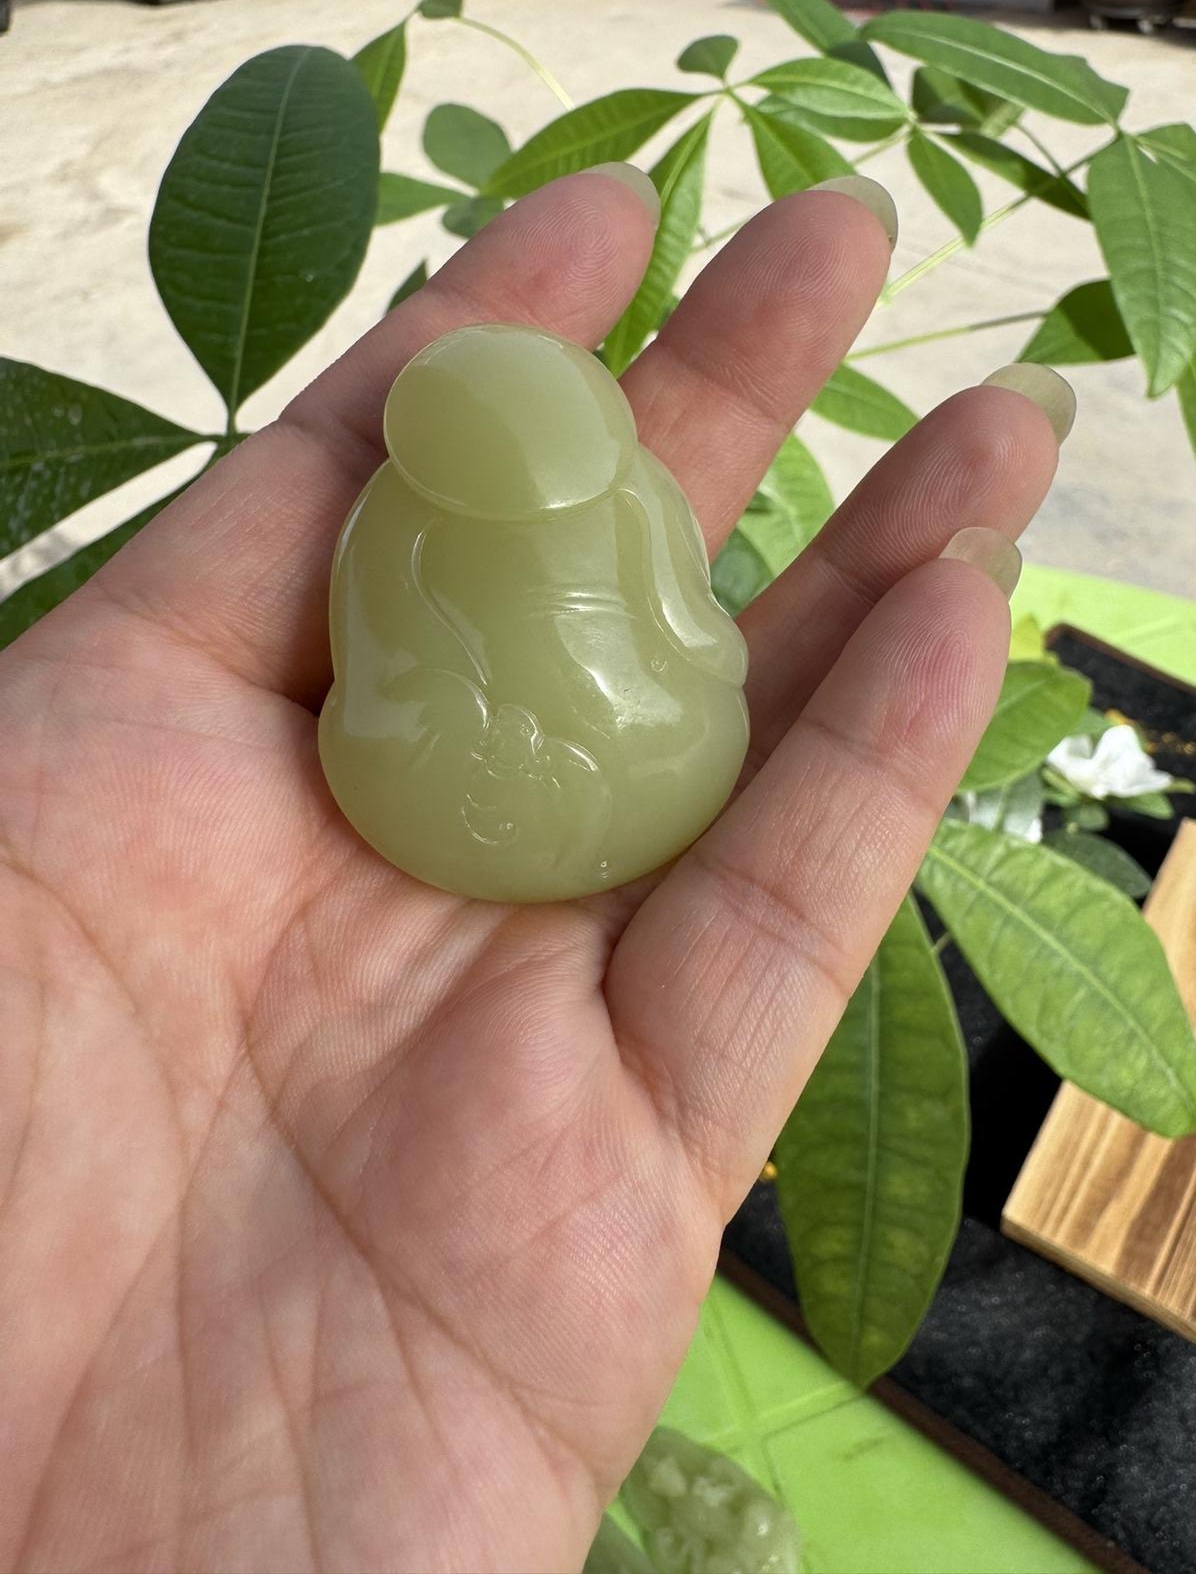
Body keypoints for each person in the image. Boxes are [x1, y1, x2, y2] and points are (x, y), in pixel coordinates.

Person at [0, 165, 1066, 1573]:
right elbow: (382, 661)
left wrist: (671, 674)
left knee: (678, 716)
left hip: (627, 741)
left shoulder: (626, 500)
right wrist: (445, 722)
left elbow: (680, 625)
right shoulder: (397, 522)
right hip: (463, 754)